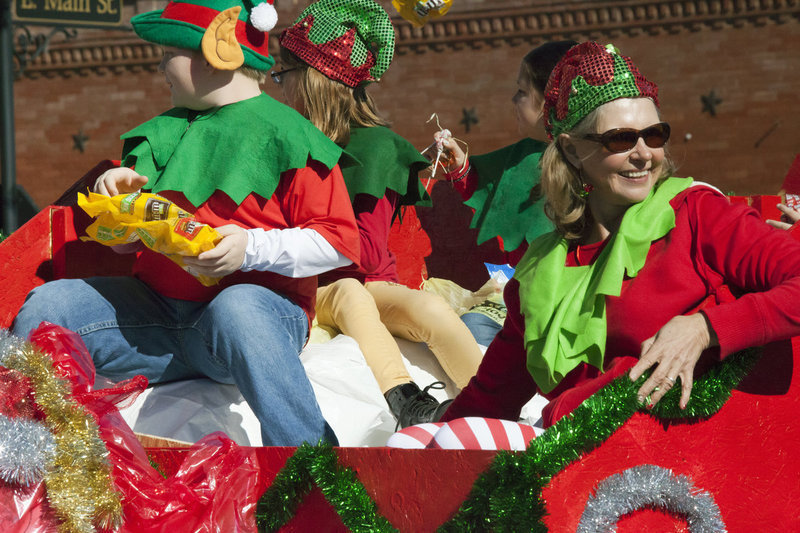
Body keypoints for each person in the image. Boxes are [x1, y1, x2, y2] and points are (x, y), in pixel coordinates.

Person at [392, 41, 800, 448]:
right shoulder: (540, 271)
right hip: (577, 466)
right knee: (415, 444)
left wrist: (703, 329)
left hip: (689, 460)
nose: (644, 154)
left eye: (655, 135)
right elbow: (491, 396)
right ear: (571, 149)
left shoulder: (696, 213)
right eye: (620, 139)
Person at [12, 0, 361, 447]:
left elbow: (338, 243)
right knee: (47, 306)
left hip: (248, 323)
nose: (159, 65)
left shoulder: (290, 135)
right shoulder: (158, 133)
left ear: (215, 53)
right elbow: (125, 247)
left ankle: (309, 464)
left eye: (168, 52)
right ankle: (31, 456)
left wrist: (250, 248)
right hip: (154, 319)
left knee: (238, 308)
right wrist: (118, 204)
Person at [275, 0, 484, 427]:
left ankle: (492, 404)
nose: (279, 87)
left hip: (371, 284)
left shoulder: (374, 147)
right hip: (317, 291)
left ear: (314, 80)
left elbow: (368, 254)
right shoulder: (288, 144)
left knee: (428, 310)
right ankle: (404, 399)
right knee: (351, 294)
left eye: (285, 75)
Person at [431, 40, 577, 347]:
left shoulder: (594, 167)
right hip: (516, 301)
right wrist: (460, 169)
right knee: (468, 331)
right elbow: (494, 195)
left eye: (522, 91)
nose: (514, 98)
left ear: (551, 100)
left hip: (568, 307)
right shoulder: (520, 159)